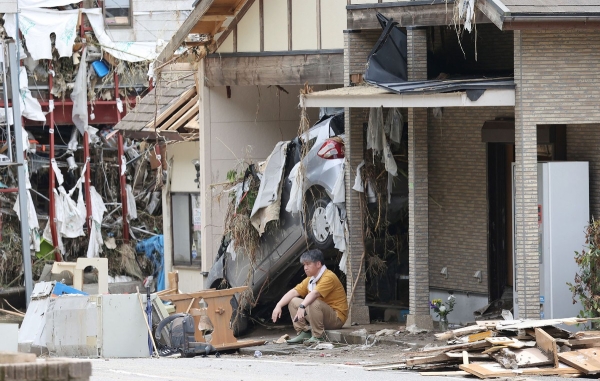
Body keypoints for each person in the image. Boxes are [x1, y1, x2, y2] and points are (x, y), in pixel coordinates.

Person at [271, 249, 348, 344]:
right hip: (321, 315)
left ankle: (318, 336)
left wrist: (302, 306)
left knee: (313, 301)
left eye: (308, 264)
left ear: (318, 264)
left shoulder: (328, 277)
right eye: (304, 265)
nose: (305, 268)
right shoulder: (311, 279)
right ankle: (303, 332)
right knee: (293, 301)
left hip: (336, 319)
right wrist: (278, 306)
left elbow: (314, 294)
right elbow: (294, 292)